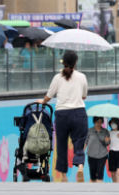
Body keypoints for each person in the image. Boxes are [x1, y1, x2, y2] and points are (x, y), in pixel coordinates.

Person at [37, 50, 88, 182]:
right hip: (79, 112)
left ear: (63, 62)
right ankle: (80, 166)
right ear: (76, 62)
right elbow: (84, 96)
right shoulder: (82, 77)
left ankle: (64, 175)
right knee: (79, 141)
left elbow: (48, 96)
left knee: (61, 144)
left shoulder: (57, 77)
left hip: (62, 114)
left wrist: (42, 101)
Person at [84, 116, 110, 183]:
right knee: (92, 175)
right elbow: (85, 142)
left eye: (100, 122)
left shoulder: (105, 131)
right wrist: (82, 151)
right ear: (94, 122)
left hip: (102, 155)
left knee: (100, 173)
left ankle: (100, 190)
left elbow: (108, 143)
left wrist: (107, 141)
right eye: (97, 122)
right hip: (91, 155)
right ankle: (93, 190)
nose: (99, 123)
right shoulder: (89, 131)